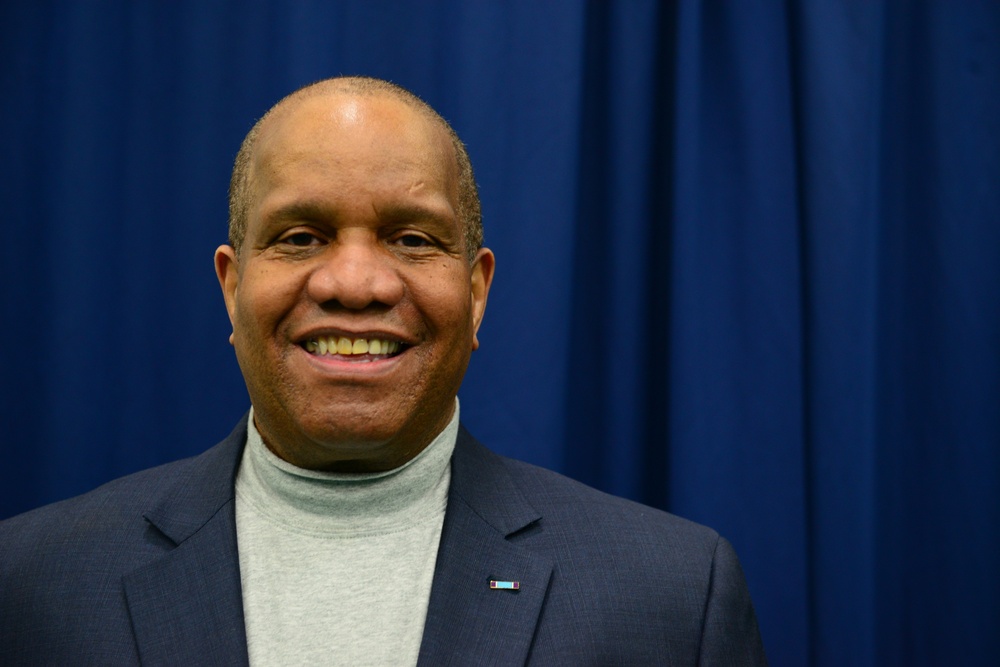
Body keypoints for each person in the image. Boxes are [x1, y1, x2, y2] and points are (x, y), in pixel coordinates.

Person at [0, 76, 767, 666]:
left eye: (411, 238)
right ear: (232, 286)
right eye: (300, 236)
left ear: (476, 292)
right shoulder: (31, 585)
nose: (357, 283)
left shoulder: (672, 596)